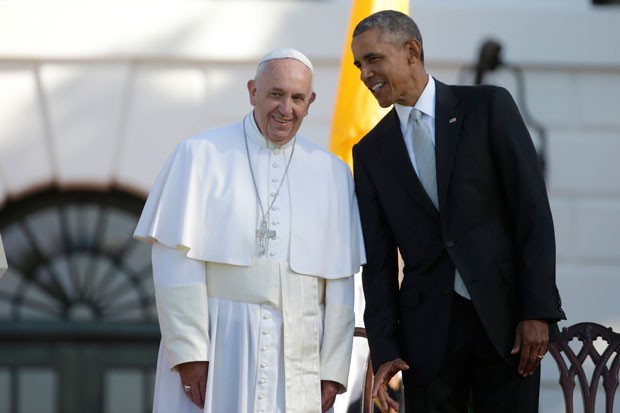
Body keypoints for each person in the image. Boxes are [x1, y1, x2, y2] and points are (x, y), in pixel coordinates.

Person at [350, 10, 566, 413]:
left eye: (373, 59)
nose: (365, 73)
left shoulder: (487, 107)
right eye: (359, 64)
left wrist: (536, 311)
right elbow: (377, 262)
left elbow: (531, 212)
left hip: (508, 332)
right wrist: (385, 348)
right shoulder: (369, 152)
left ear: (412, 51)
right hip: (426, 343)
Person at [134, 48, 366, 413]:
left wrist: (333, 369)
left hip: (299, 350)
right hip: (220, 341)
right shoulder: (199, 155)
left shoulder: (332, 173)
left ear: (311, 102)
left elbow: (340, 280)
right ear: (252, 92)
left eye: (297, 98)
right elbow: (175, 261)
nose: (285, 109)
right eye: (275, 94)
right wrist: (190, 351)